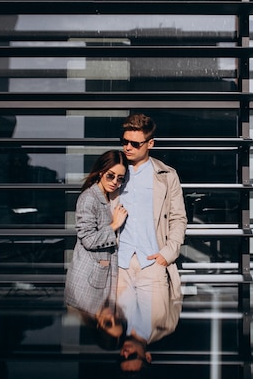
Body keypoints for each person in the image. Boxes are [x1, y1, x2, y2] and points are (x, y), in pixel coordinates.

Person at [113, 113, 187, 371]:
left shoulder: (167, 175)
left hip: (151, 264)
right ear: (146, 357)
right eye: (125, 142)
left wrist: (168, 253)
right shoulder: (113, 171)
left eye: (135, 144)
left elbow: (178, 218)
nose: (128, 148)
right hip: (119, 263)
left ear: (151, 143)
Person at [64, 149, 129, 349]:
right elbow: (89, 239)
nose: (115, 182)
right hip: (89, 282)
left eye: (120, 178)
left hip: (99, 282)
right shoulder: (89, 198)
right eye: (111, 175)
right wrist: (114, 225)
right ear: (100, 172)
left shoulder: (108, 196)